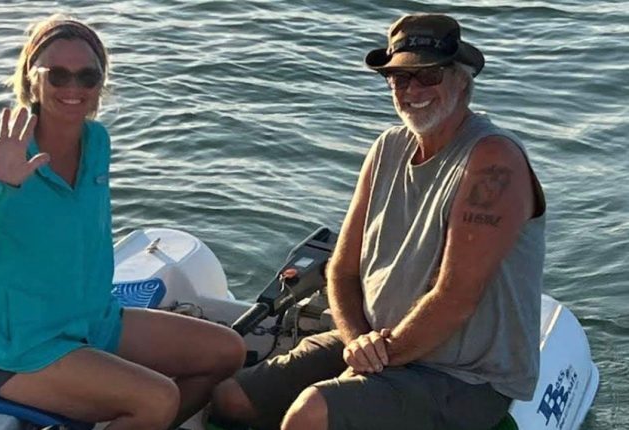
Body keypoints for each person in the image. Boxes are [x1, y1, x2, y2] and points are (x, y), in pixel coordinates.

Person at [211, 13, 545, 430]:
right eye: (400, 78)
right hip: (378, 340)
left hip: (461, 376)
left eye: (428, 76)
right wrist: (357, 343)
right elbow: (342, 269)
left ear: (462, 80)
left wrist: (373, 361)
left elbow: (456, 298)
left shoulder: (493, 160)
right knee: (231, 398)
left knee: (311, 412)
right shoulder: (388, 147)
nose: (413, 90)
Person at [0, 15, 245, 430]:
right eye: (57, 75)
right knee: (157, 399)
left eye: (87, 76)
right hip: (17, 349)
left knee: (227, 352)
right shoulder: (3, 155)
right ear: (31, 79)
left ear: (100, 83)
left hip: (94, 321)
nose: (73, 88)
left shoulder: (97, 141)